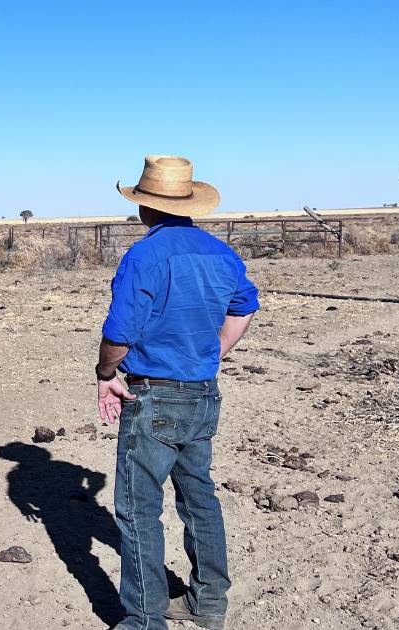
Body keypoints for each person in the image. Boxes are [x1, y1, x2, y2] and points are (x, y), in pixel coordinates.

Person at [95, 156, 258, 630]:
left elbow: (120, 333)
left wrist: (105, 372)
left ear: (145, 207)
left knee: (138, 509)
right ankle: (207, 603)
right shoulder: (219, 253)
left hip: (155, 397)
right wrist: (215, 351)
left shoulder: (144, 256)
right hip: (203, 393)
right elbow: (245, 305)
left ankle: (144, 620)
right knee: (199, 498)